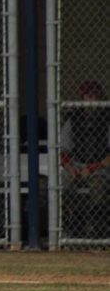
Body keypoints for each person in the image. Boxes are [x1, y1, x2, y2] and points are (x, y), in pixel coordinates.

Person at [59, 80, 110, 236]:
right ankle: (73, 225)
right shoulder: (74, 118)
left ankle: (97, 231)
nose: (91, 100)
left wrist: (91, 168)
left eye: (94, 96)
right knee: (61, 183)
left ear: (100, 97)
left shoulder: (107, 118)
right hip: (77, 164)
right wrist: (70, 168)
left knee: (98, 186)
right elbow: (63, 150)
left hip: (101, 166)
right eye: (87, 96)